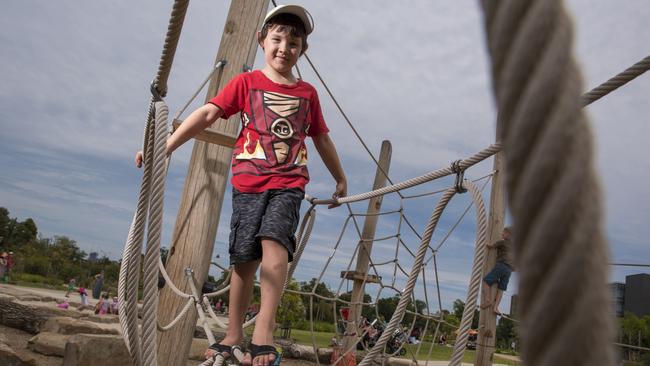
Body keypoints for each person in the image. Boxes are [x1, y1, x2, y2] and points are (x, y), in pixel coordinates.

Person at [137, 5, 346, 366]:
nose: (284, 47)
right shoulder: (245, 83)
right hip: (248, 183)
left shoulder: (307, 93)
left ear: (303, 50)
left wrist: (340, 177)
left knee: (275, 243)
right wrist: (165, 146)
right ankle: (234, 333)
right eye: (277, 38)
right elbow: (207, 113)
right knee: (244, 260)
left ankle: (263, 329)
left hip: (288, 182)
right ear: (261, 40)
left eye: (294, 42)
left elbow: (322, 138)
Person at [481, 227, 514, 315]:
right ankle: (496, 307)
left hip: (501, 266)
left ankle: (488, 300)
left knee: (486, 281)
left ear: (508, 235)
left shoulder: (502, 242)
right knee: (501, 289)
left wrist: (485, 243)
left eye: (503, 233)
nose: (502, 234)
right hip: (509, 270)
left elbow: (491, 246)